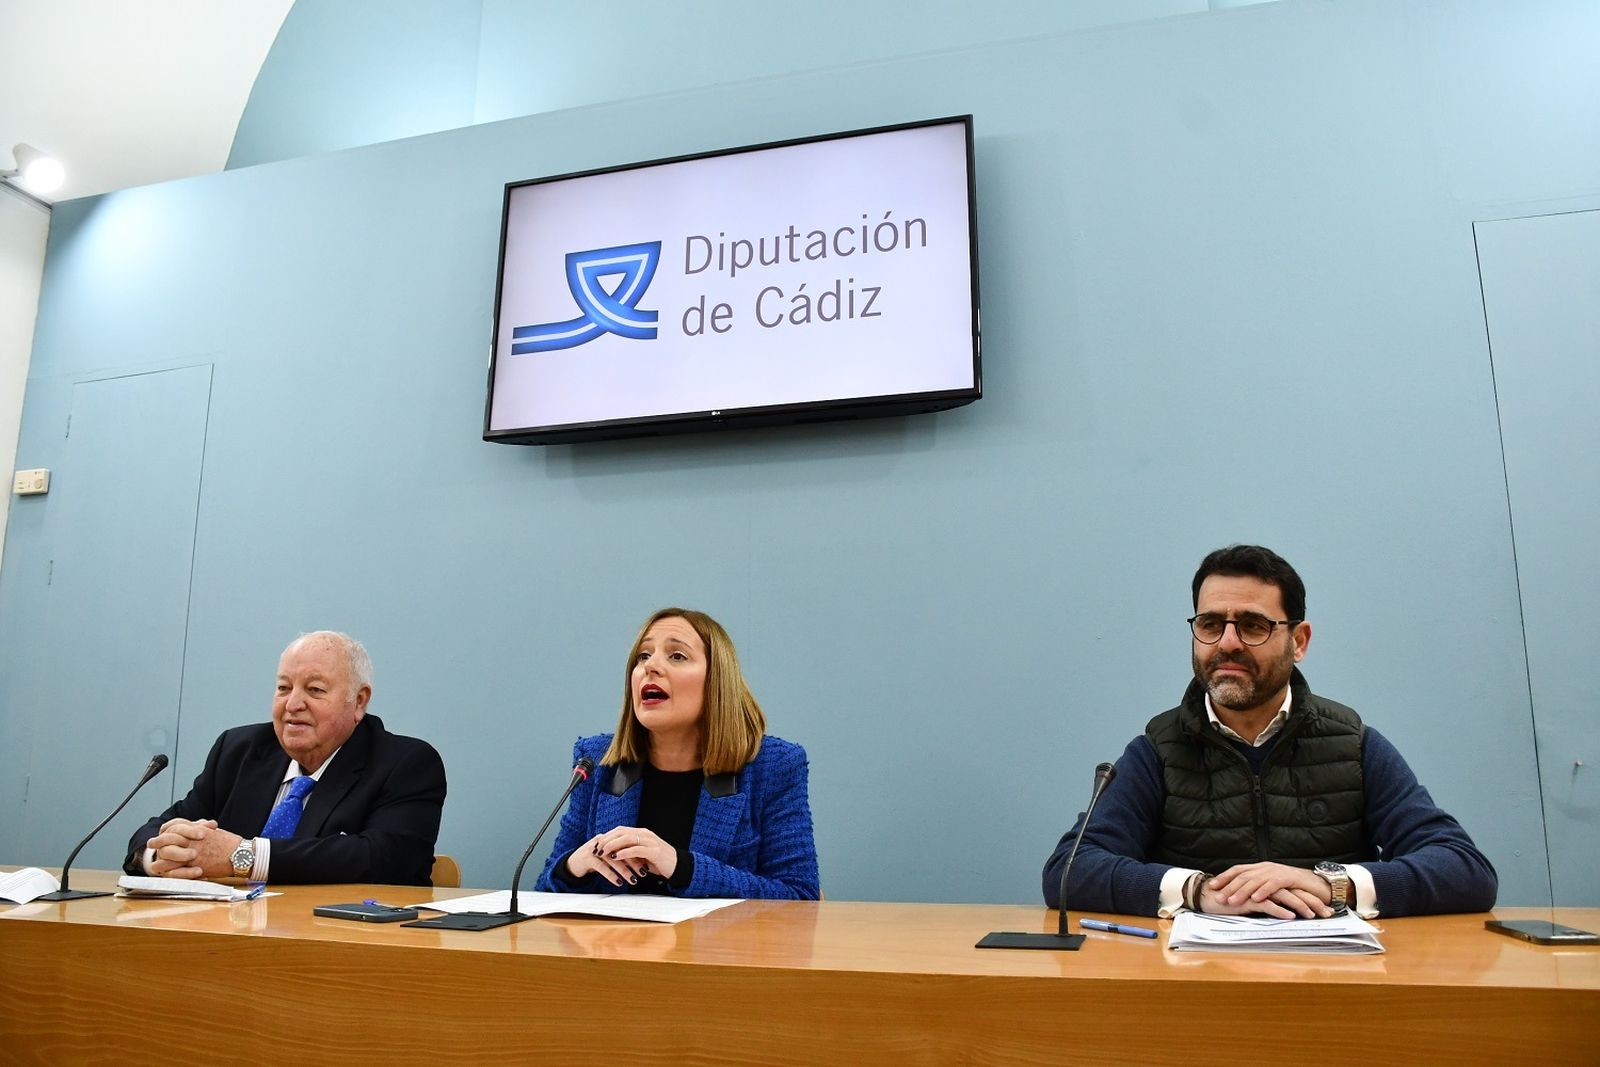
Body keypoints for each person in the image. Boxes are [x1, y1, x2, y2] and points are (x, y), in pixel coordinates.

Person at [1043, 545, 1496, 919]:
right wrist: (1199, 891)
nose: (1228, 643)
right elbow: (1069, 870)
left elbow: (1465, 870)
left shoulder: (1353, 744)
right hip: (1197, 979)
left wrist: (1330, 885)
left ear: (1298, 641)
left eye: (1253, 625)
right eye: (1210, 624)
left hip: (1336, 979)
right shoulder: (1157, 750)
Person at [536, 608, 820, 899]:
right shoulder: (597, 761)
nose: (651, 666)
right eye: (643, 656)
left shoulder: (773, 766)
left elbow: (800, 896)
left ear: (717, 681)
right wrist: (572, 868)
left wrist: (681, 866)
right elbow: (543, 891)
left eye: (677, 656)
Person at [124, 631, 446, 886]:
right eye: (283, 688)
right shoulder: (239, 750)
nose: (293, 704)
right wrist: (161, 857)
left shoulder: (405, 764)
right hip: (227, 934)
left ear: (359, 702)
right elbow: (163, 827)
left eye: (315, 690)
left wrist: (244, 856)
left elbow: (383, 859)